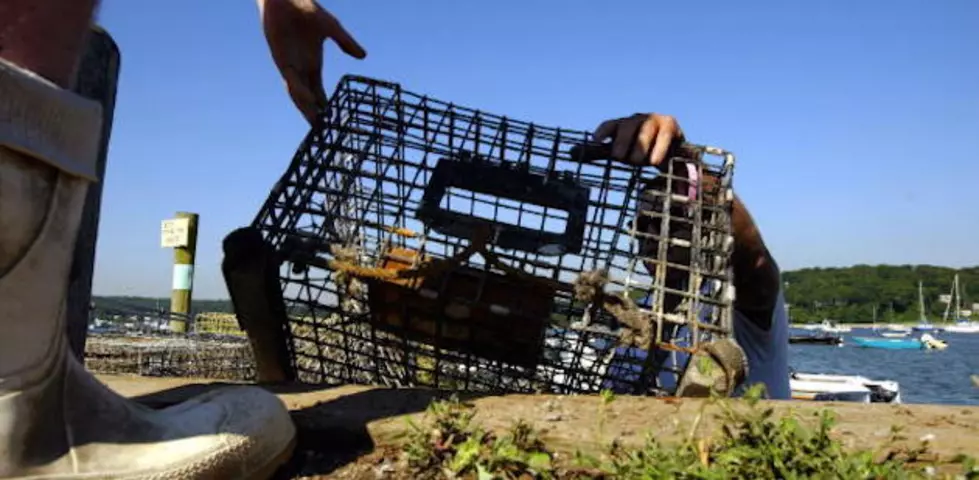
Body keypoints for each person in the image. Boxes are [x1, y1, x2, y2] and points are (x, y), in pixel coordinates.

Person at [0, 1, 787, 478]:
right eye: (652, 223)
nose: (661, 238)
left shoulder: (740, 321)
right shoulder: (612, 324)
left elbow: (750, 266)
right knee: (388, 284)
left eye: (671, 228)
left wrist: (690, 175)